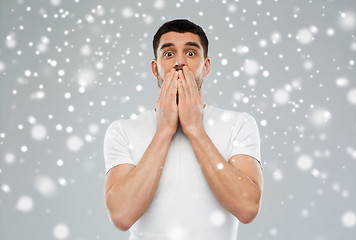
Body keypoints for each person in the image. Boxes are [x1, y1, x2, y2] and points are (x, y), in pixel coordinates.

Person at [103, 19, 264, 240]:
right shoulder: (123, 130)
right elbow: (121, 216)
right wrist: (164, 131)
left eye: (190, 53)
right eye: (168, 54)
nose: (179, 62)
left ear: (206, 66)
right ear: (155, 67)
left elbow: (247, 208)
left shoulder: (239, 124)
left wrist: (195, 129)